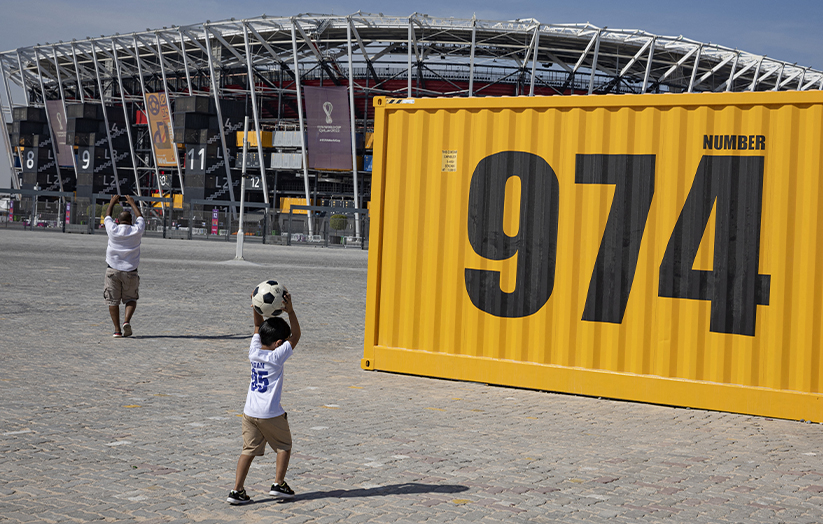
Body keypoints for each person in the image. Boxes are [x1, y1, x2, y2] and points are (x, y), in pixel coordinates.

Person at [227, 292, 302, 505]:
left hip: (249, 413)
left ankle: (236, 490)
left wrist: (256, 306)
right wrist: (291, 311)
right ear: (279, 343)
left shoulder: (253, 351)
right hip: (271, 413)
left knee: (247, 450)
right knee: (284, 446)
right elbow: (296, 335)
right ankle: (278, 484)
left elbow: (257, 326)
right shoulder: (277, 356)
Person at [103, 195, 145, 338]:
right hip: (131, 271)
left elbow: (107, 216)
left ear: (117, 221)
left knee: (112, 301)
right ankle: (126, 321)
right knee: (131, 299)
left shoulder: (113, 230)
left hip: (112, 270)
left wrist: (112, 203)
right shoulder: (136, 231)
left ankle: (117, 330)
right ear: (131, 221)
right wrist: (132, 203)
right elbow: (141, 218)